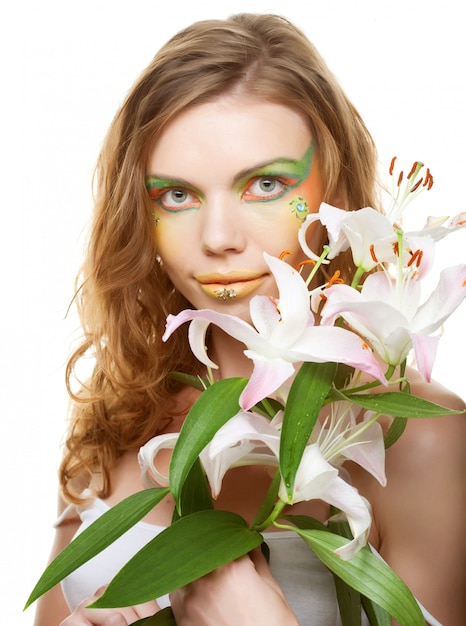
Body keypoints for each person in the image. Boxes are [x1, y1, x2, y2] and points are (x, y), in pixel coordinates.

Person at [32, 13, 465, 626]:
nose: (217, 239)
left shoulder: (422, 440)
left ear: (334, 189)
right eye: (176, 195)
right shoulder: (119, 414)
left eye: (264, 184)